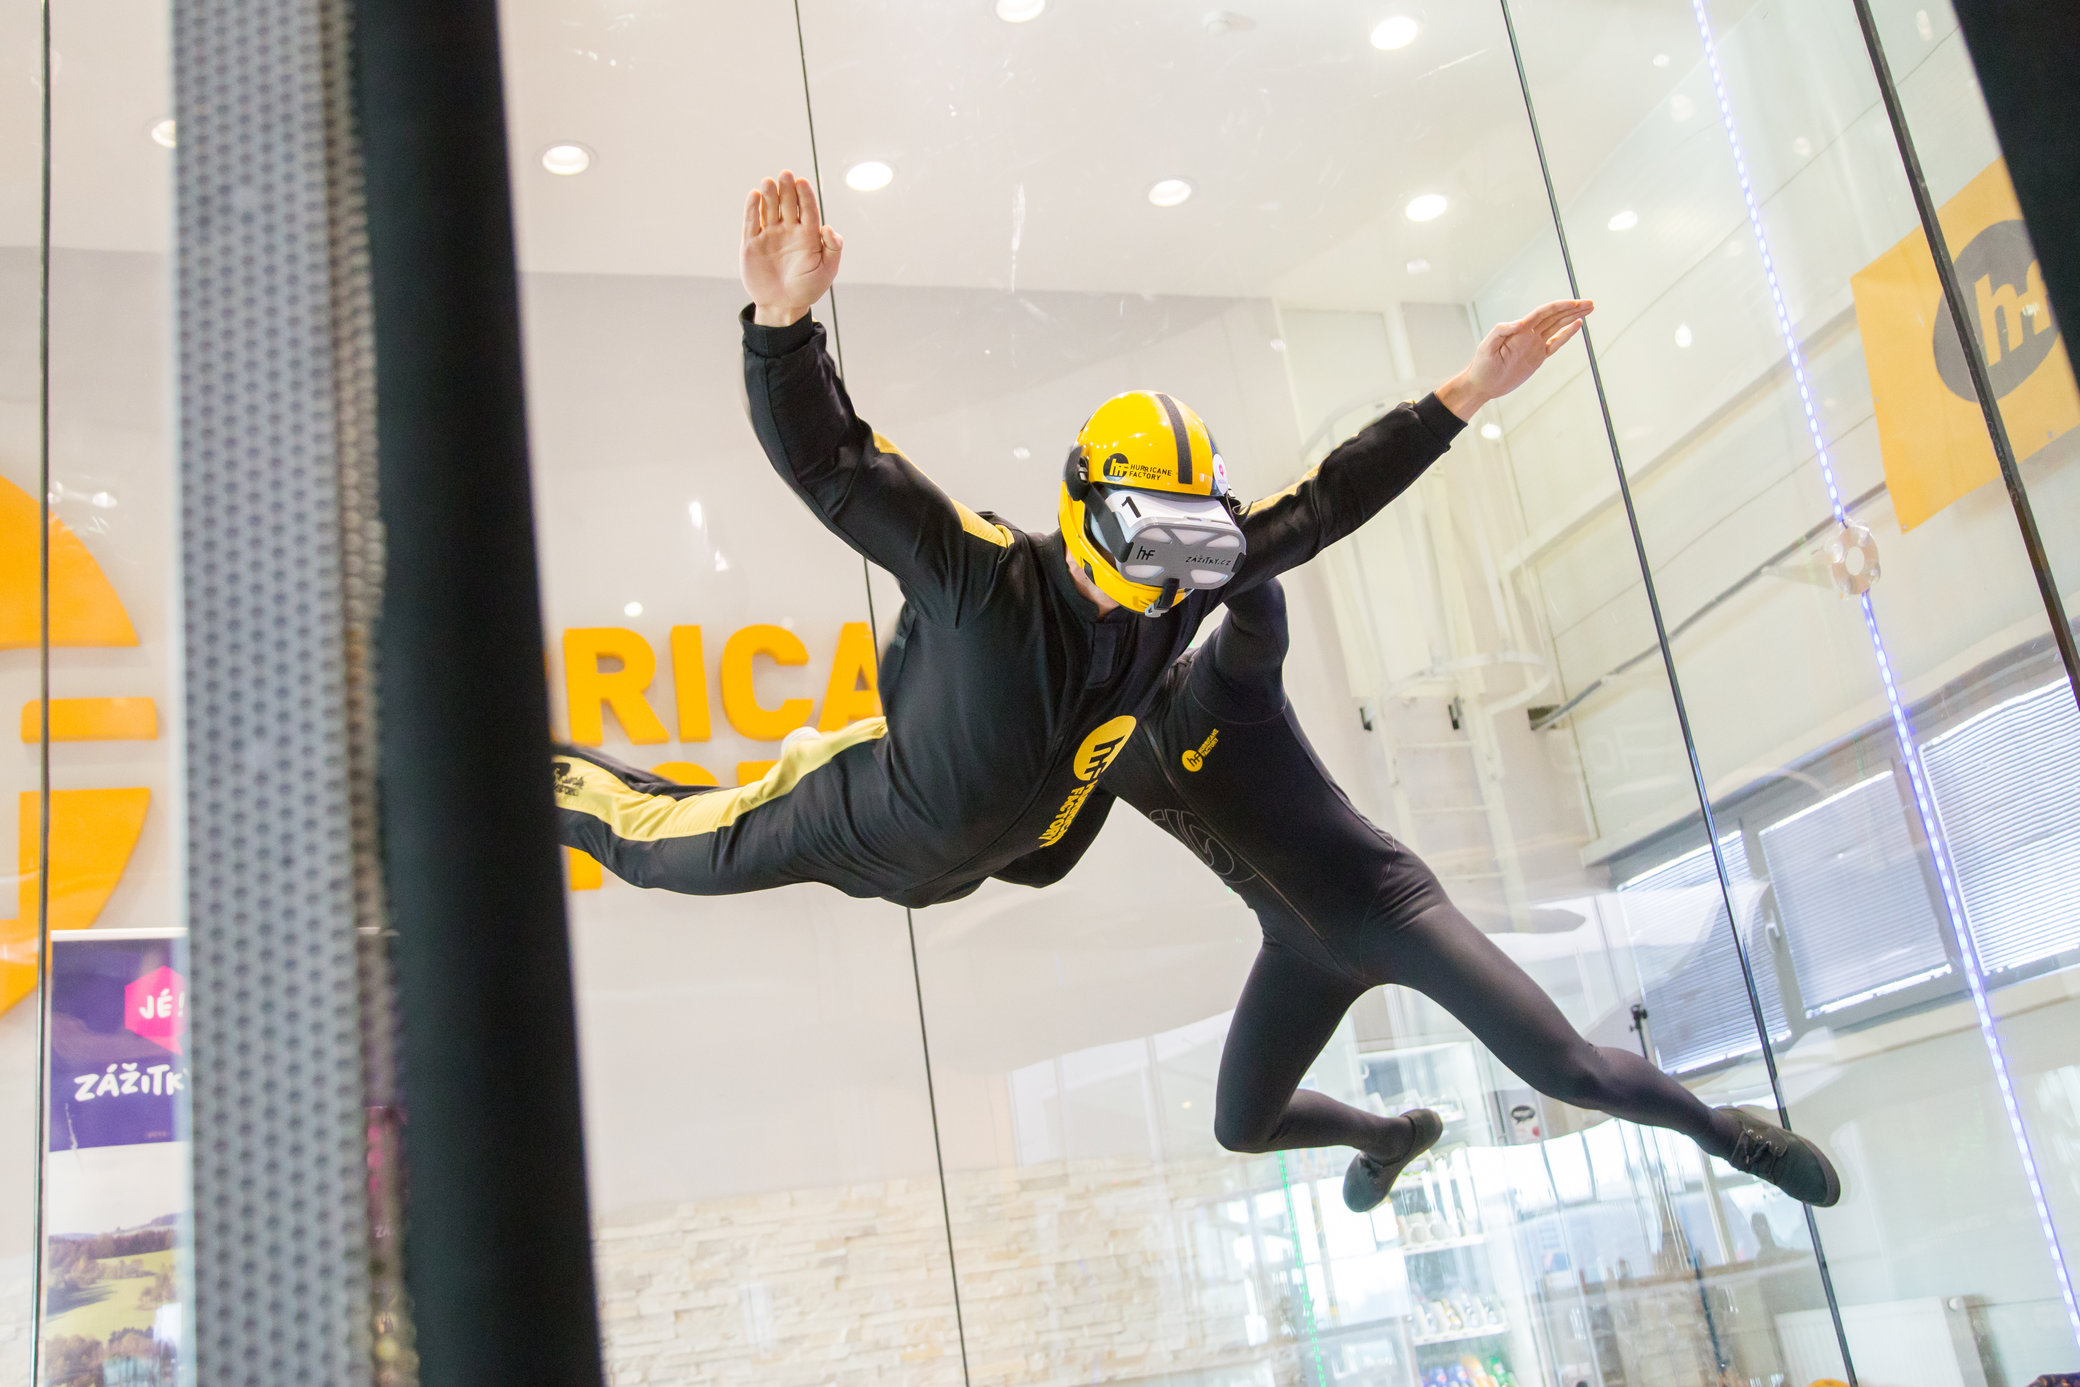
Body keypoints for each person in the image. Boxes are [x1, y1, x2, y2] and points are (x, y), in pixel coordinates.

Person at [552, 169, 1592, 912]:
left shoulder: (1190, 579)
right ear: (1088, 507)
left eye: (1197, 544)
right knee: (654, 847)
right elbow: (834, 466)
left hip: (1011, 845)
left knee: (1048, 849)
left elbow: (1325, 504)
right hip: (868, 818)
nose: (1173, 575)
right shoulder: (983, 574)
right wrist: (781, 326)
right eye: (1153, 540)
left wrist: (1464, 394)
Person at [1013, 577, 1844, 1213]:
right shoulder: (1107, 753)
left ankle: (1732, 1137)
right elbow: (1037, 851)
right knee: (1242, 1126)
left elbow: (1262, 605)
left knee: (1572, 1071)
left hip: (1392, 908)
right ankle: (1390, 1138)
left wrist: (1197, 540)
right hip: (1298, 950)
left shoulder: (1218, 685)